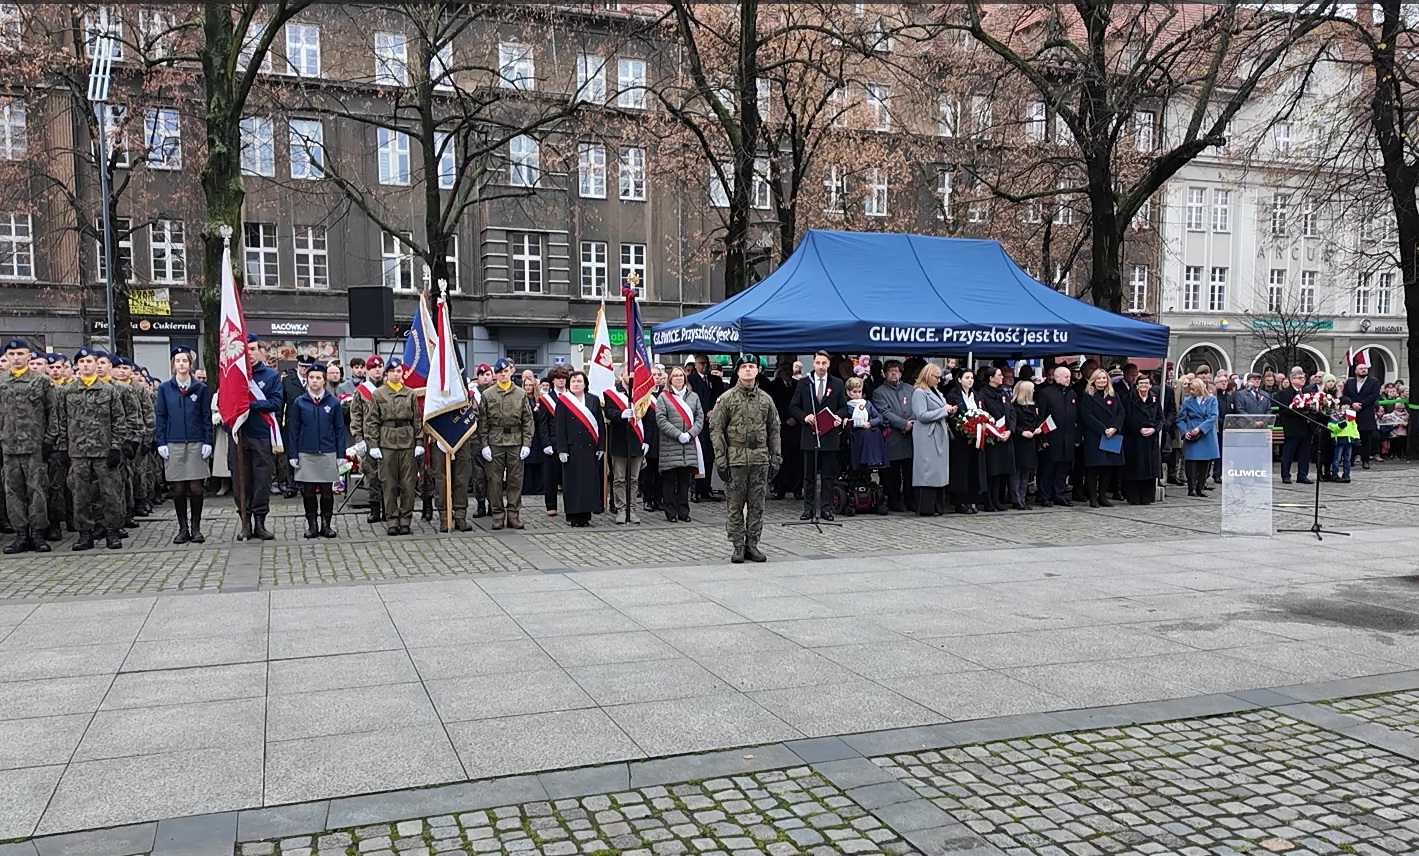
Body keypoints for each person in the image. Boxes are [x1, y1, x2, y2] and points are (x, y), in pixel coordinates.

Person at [710, 354, 781, 564]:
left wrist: (776, 458)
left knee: (757, 505)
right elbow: (716, 430)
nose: (748, 370)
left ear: (757, 370)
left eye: (752, 366)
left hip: (760, 459)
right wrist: (721, 460)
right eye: (744, 367)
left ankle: (752, 544)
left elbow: (774, 430)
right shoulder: (727, 398)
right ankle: (738, 545)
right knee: (735, 505)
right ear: (738, 371)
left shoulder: (766, 400)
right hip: (736, 459)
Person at [55, 348, 126, 551]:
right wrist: (61, 448)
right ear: (77, 365)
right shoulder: (67, 391)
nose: (85, 365)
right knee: (80, 495)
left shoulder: (109, 391)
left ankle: (112, 532)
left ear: (97, 364)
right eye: (81, 362)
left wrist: (116, 447)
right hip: (78, 453)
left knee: (110, 494)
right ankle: (85, 534)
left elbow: (119, 421)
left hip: (104, 452)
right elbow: (61, 421)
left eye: (89, 361)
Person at [0, 339, 57, 553]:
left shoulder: (41, 381)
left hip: (35, 446)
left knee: (38, 491)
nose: (16, 358)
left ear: (29, 356)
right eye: (11, 354)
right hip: (9, 447)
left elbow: (53, 413)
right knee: (13, 493)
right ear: (6, 357)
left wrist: (50, 440)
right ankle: (21, 534)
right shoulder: (1, 381)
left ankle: (38, 534)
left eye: (20, 354)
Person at [155, 346, 213, 545]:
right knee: (178, 487)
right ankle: (182, 528)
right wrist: (161, 441)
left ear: (190, 364)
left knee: (196, 487)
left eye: (185, 361)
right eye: (178, 361)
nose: (181, 364)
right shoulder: (164, 389)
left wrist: (208, 441)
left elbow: (206, 416)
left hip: (196, 442)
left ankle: (196, 528)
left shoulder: (200, 388)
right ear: (173, 365)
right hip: (174, 442)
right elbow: (161, 417)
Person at [230, 335, 284, 540]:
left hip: (262, 434)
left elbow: (275, 403)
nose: (249, 353)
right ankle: (245, 522)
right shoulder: (233, 375)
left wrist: (248, 405)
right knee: (241, 481)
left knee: (262, 480)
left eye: (252, 349)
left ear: (260, 351)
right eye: (245, 349)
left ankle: (260, 522)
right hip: (239, 434)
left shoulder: (270, 376)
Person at [285, 361, 343, 538]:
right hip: (306, 452)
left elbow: (339, 429)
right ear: (307, 380)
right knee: (308, 491)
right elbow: (293, 429)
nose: (315, 381)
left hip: (327, 452)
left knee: (327, 491)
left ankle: (326, 525)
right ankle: (312, 525)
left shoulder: (332, 403)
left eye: (318, 378)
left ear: (324, 380)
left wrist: (340, 454)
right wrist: (293, 454)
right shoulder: (299, 403)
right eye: (311, 378)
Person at [366, 358, 422, 535]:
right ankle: (391, 520)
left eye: (398, 371)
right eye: (392, 371)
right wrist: (373, 444)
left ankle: (405, 520)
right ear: (386, 374)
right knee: (388, 484)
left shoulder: (410, 393)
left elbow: (417, 419)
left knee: (408, 484)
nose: (396, 374)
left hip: (407, 442)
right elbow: (372, 420)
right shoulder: (379, 394)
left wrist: (419, 442)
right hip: (387, 443)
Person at [478, 357, 534, 530]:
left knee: (515, 480)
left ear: (511, 371)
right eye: (500, 372)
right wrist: (484, 444)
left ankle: (513, 514)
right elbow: (483, 422)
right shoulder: (488, 394)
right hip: (495, 440)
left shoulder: (521, 393)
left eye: (506, 371)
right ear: (496, 374)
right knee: (494, 480)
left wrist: (527, 443)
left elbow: (528, 420)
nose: (503, 375)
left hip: (516, 440)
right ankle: (497, 515)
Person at [789, 350, 846, 520]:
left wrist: (839, 416)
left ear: (828, 365)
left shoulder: (837, 383)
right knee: (809, 475)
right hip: (810, 434)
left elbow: (843, 406)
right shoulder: (804, 383)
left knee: (828, 475)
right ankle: (808, 508)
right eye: (818, 363)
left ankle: (826, 509)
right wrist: (804, 417)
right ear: (813, 364)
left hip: (829, 435)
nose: (821, 366)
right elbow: (793, 406)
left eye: (824, 363)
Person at [554, 370, 604, 527]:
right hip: (572, 448)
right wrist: (562, 449)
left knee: (588, 483)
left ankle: (586, 515)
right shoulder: (564, 401)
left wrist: (601, 446)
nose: (576, 384)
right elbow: (559, 426)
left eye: (579, 381)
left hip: (590, 448)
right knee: (573, 483)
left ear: (585, 384)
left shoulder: (593, 400)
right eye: (573, 381)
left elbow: (600, 424)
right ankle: (573, 517)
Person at [656, 365, 705, 523]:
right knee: (670, 482)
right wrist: (678, 434)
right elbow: (661, 420)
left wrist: (690, 434)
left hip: (688, 445)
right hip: (670, 445)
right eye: (675, 376)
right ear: (670, 379)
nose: (678, 378)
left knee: (685, 482)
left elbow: (700, 417)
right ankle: (671, 512)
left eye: (681, 375)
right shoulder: (664, 397)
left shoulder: (693, 397)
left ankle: (684, 511)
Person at [909, 363, 953, 516]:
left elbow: (942, 409)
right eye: (936, 377)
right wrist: (943, 411)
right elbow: (921, 415)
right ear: (928, 375)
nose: (939, 380)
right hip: (926, 435)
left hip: (939, 433)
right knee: (927, 470)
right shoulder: (919, 392)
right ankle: (926, 506)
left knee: (939, 471)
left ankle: (938, 506)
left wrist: (949, 410)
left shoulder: (936, 391)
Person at [607, 368, 649, 525]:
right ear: (621, 375)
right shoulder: (611, 393)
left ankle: (632, 508)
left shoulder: (641, 393)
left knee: (633, 479)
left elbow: (649, 418)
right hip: (619, 442)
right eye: (627, 372)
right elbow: (609, 412)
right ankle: (621, 508)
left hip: (637, 441)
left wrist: (647, 441)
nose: (631, 376)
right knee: (619, 478)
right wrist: (621, 415)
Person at [872, 359, 915, 512]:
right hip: (892, 438)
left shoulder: (911, 389)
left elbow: (916, 408)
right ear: (884, 374)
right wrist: (903, 424)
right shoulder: (879, 392)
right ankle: (894, 500)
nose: (894, 373)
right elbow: (884, 412)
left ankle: (911, 500)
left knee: (910, 472)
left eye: (897, 370)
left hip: (910, 438)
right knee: (892, 474)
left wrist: (911, 423)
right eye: (891, 370)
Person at [1078, 368, 1125, 508]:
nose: (1102, 381)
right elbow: (1087, 416)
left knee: (1107, 467)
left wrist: (1114, 428)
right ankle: (1093, 497)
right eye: (1099, 378)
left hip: (1111, 435)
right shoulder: (1088, 395)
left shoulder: (1113, 395)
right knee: (1094, 467)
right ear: (1093, 380)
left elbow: (1121, 413)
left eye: (1104, 378)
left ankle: (1103, 495)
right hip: (1095, 435)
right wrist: (1103, 429)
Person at [1035, 365, 1080, 507]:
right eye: (1066, 377)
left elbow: (1077, 417)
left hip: (1068, 437)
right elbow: (1041, 417)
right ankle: (1044, 495)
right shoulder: (1045, 393)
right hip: (1052, 437)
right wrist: (1043, 438)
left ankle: (1059, 494)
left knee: (1063, 468)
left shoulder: (1072, 394)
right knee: (1048, 467)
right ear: (1056, 377)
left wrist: (1077, 437)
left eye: (1069, 377)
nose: (1069, 379)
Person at [349, 355, 385, 522]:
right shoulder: (361, 391)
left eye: (380, 367)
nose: (377, 370)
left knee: (390, 476)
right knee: (372, 476)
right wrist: (359, 438)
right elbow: (355, 415)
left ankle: (389, 509)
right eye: (373, 368)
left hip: (388, 438)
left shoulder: (390, 388)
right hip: (369, 439)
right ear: (368, 370)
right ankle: (375, 510)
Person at [975, 365, 1016, 513]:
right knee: (991, 470)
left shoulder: (1004, 394)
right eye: (999, 375)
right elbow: (982, 415)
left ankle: (997, 498)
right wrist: (995, 432)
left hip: (1005, 436)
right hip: (992, 438)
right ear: (991, 378)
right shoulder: (982, 395)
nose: (1002, 377)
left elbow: (1012, 413)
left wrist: (1010, 430)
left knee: (1000, 470)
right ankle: (988, 500)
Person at [1121, 374, 1164, 505]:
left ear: (1150, 385)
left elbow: (1160, 418)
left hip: (1151, 439)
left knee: (1149, 470)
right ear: (1137, 385)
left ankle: (1147, 497)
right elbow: (1126, 417)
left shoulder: (1155, 399)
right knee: (1135, 469)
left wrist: (1155, 429)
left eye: (1146, 383)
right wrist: (1139, 429)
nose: (1144, 386)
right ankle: (1133, 496)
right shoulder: (1128, 399)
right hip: (1135, 438)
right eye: (1141, 383)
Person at [689, 353, 726, 501]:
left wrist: (714, 412)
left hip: (713, 422)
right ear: (696, 365)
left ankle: (706, 488)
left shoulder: (715, 380)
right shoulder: (691, 380)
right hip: (699, 422)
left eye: (706, 364)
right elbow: (691, 400)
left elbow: (721, 398)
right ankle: (695, 489)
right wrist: (704, 413)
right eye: (701, 363)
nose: (704, 367)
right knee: (699, 455)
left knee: (710, 456)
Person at [943, 368, 981, 515]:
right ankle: (959, 501)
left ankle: (971, 499)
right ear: (959, 380)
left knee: (972, 468)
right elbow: (950, 417)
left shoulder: (975, 396)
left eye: (972, 378)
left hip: (974, 437)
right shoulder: (953, 396)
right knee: (960, 469)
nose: (970, 380)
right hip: (960, 437)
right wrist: (962, 425)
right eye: (967, 378)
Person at [766, 359, 801, 500]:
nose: (787, 372)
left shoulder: (798, 385)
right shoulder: (773, 386)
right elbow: (773, 405)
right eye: (784, 369)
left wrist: (796, 418)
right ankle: (780, 488)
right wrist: (785, 418)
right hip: (781, 427)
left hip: (796, 426)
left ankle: (797, 489)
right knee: (782, 458)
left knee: (797, 460)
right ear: (780, 371)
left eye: (789, 369)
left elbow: (802, 403)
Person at [1275, 367, 1317, 485]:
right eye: (1299, 378)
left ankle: (1302, 475)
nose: (1303, 380)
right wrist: (1298, 408)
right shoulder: (1285, 393)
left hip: (1306, 426)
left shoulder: (1306, 392)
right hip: (1292, 427)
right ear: (1292, 380)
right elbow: (1283, 409)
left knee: (1305, 452)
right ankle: (1286, 475)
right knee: (1289, 452)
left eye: (1304, 378)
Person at [537, 366, 569, 516]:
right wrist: (546, 443)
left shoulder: (572, 397)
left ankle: (571, 504)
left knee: (569, 476)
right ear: (552, 381)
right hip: (552, 442)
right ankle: (551, 505)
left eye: (563, 377)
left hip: (569, 442)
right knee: (551, 477)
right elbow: (542, 423)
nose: (561, 380)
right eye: (558, 378)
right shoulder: (546, 399)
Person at [1344, 362, 1381, 469]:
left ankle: (1366, 460)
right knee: (1351, 436)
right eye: (1361, 368)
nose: (1363, 370)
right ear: (1356, 371)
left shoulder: (1374, 382)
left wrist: (1362, 405)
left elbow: (1374, 395)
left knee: (1366, 437)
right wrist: (1352, 404)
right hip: (1352, 412)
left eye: (1365, 368)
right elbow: (1346, 394)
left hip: (1366, 412)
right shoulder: (1350, 382)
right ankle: (1351, 459)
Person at [1009, 380, 1039, 510]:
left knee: (1026, 472)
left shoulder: (1033, 406)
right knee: (1016, 472)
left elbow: (1037, 420)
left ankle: (1022, 497)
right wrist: (1021, 432)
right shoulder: (1015, 407)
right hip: (1019, 441)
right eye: (1031, 390)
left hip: (1030, 441)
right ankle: (1016, 499)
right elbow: (1012, 424)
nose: (1033, 392)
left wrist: (1037, 429)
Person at [522, 372, 544, 497]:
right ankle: (528, 487)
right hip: (526, 432)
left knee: (539, 460)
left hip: (538, 433)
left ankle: (540, 487)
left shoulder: (540, 399)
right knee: (527, 461)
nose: (528, 387)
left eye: (531, 385)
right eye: (526, 385)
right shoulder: (521, 399)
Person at [1328, 397, 1360, 483]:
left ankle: (1346, 474)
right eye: (1344, 404)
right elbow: (1331, 426)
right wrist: (1339, 426)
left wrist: (1357, 437)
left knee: (1348, 458)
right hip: (1339, 438)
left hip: (1349, 438)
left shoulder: (1350, 415)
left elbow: (1354, 427)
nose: (1346, 406)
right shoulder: (1335, 414)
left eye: (1348, 405)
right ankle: (1335, 473)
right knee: (1337, 458)